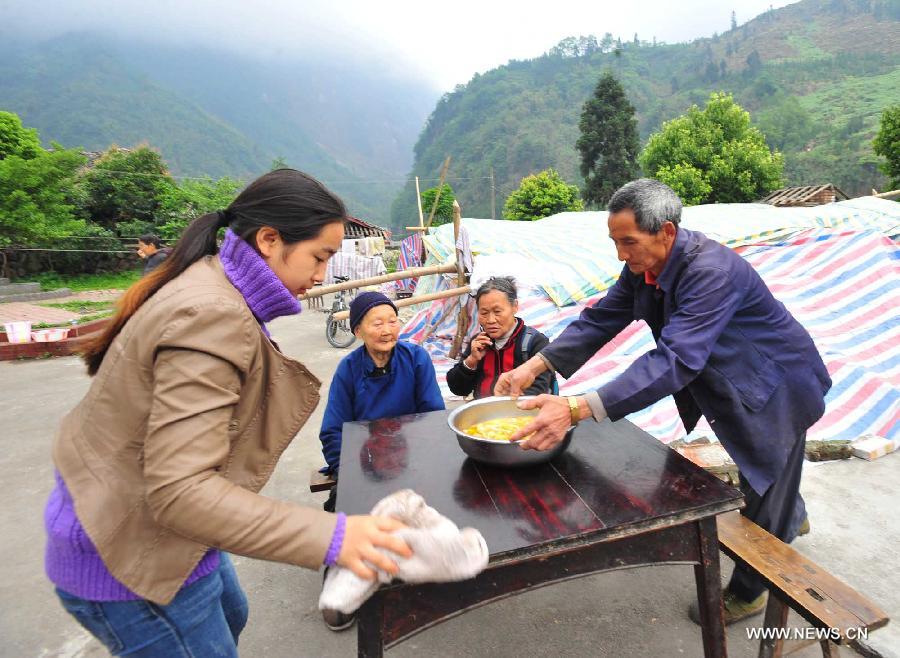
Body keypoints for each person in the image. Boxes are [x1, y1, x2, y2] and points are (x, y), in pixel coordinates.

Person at [44, 169, 413, 657]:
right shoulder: (212, 315)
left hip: (159, 528)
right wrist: (338, 535)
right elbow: (178, 490)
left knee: (232, 614)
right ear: (268, 239)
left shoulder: (215, 288)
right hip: (130, 554)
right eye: (319, 257)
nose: (322, 275)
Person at [495, 178, 831, 625]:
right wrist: (534, 366)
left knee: (766, 475)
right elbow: (602, 317)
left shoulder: (711, 272)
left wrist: (576, 408)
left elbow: (674, 360)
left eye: (628, 242)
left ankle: (752, 590)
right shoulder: (643, 267)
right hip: (732, 377)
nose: (621, 254)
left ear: (666, 232)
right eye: (615, 242)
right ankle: (792, 513)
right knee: (766, 468)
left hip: (775, 383)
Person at [317, 290, 444, 630]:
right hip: (364, 464)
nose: (388, 329)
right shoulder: (348, 370)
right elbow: (332, 430)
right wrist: (348, 475)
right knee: (352, 518)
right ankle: (343, 583)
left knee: (432, 508)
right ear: (358, 330)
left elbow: (433, 416)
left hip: (410, 459)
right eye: (377, 323)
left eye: (392, 320)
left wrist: (422, 461)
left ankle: (418, 565)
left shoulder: (416, 359)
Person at [446, 276, 555, 399]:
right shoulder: (479, 342)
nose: (491, 320)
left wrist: (500, 405)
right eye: (484, 313)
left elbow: (539, 390)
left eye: (497, 311)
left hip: (520, 414)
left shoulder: (535, 342)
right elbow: (458, 389)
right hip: (485, 415)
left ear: (515, 307)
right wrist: (471, 361)